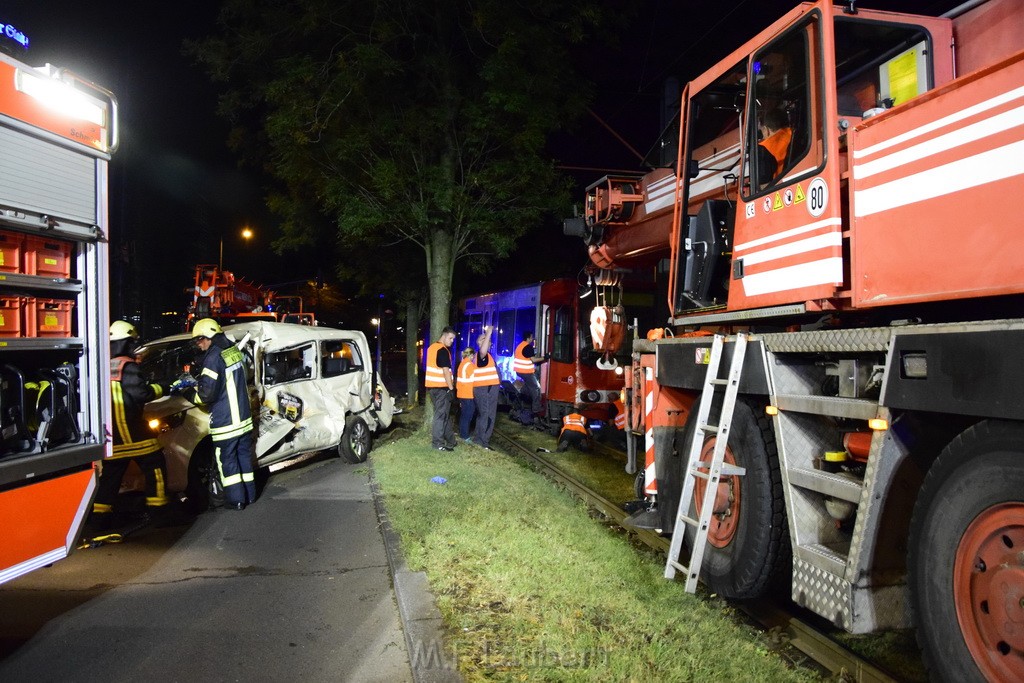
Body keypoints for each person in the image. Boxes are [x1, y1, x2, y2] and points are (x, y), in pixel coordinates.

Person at [88, 321, 170, 532]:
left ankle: (99, 520)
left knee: (111, 478)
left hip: (111, 436)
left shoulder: (104, 366)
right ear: (126, 343)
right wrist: (162, 387)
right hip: (133, 434)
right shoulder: (128, 366)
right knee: (155, 465)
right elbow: (140, 394)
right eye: (133, 342)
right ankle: (159, 512)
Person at [183, 318, 256, 510]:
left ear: (208, 337)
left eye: (199, 340)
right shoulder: (232, 350)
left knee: (228, 462)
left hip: (226, 422)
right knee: (244, 459)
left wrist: (188, 393)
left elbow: (206, 395)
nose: (199, 345)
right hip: (244, 419)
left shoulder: (213, 357)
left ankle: (236, 500)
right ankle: (249, 495)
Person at [425, 326, 457, 451]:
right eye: (451, 338)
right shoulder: (443, 350)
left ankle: (451, 440)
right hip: (442, 388)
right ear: (444, 336)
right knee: (440, 416)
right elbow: (445, 371)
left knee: (445, 415)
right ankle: (437, 444)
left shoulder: (432, 348)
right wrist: (451, 388)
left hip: (432, 388)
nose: (452, 341)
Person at [472, 326, 499, 450]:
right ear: (480, 343)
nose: (488, 341)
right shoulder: (481, 355)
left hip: (484, 389)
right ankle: (484, 443)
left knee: (482, 415)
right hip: (486, 390)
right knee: (487, 416)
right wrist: (489, 332)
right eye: (484, 339)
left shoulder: (484, 356)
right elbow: (483, 351)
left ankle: (478, 440)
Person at [513, 331, 547, 422]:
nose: (532, 339)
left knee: (529, 387)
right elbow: (533, 360)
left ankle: (519, 397)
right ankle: (536, 409)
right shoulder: (528, 347)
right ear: (528, 338)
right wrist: (545, 358)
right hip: (526, 372)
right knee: (536, 388)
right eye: (531, 338)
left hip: (519, 371)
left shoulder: (520, 346)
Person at [757, 107, 792, 181]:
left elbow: (763, 182)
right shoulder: (796, 134)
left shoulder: (764, 148)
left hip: (779, 187)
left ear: (767, 130)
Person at [456, 347, 476, 442]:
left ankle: (463, 434)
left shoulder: (462, 364)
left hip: (462, 393)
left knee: (464, 415)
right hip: (468, 394)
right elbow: (475, 379)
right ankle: (465, 436)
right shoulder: (469, 365)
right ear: (471, 355)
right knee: (468, 415)